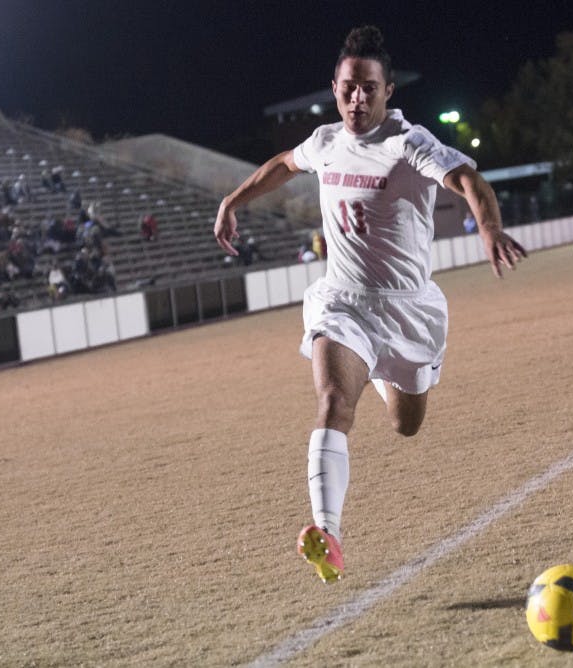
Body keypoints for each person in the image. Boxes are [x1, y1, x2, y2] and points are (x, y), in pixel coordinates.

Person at [214, 25, 525, 584]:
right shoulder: (325, 141)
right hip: (343, 303)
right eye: (348, 88)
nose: (357, 99)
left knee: (407, 425)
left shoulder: (408, 143)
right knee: (333, 400)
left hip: (407, 309)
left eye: (369, 89)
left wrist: (488, 228)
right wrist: (234, 200)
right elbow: (284, 163)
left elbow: (469, 181)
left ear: (388, 92)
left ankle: (384, 372)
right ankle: (327, 533)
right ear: (335, 88)